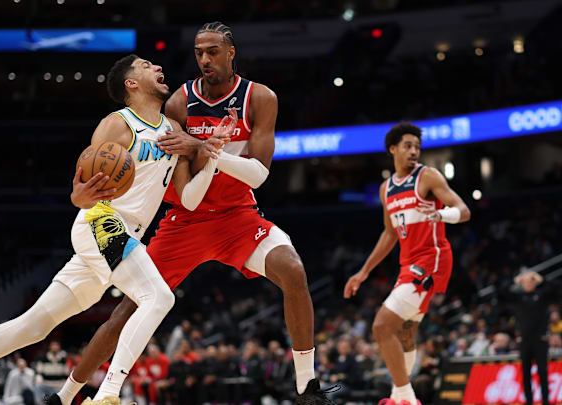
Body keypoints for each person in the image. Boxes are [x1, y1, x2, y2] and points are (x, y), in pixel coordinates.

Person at [0, 54, 235, 405]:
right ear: (131, 83)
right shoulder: (118, 124)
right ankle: (107, 395)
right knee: (159, 297)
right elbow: (83, 186)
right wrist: (78, 195)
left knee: (34, 326)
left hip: (124, 237)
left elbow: (190, 199)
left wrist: (212, 155)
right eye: (147, 66)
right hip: (102, 222)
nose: (158, 67)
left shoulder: (173, 131)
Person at [51, 21, 334, 405]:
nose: (204, 59)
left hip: (237, 215)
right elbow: (175, 168)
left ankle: (307, 388)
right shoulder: (179, 102)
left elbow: (259, 174)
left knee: (294, 271)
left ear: (230, 53)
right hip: (185, 218)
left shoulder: (260, 98)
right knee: (126, 310)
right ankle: (67, 395)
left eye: (212, 51)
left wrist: (202, 145)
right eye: (199, 52)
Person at [343, 122, 471, 405]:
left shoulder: (428, 176)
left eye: (417, 147)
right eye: (407, 146)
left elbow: (464, 211)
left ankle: (404, 397)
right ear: (393, 149)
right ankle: (401, 395)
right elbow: (389, 234)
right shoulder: (385, 188)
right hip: (407, 264)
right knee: (404, 332)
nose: (414, 151)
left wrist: (442, 216)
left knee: (380, 327)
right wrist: (363, 273)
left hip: (431, 260)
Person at [511, 270, 551, 405]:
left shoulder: (541, 296)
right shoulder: (517, 298)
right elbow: (502, 293)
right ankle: (529, 402)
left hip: (540, 339)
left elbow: (554, 288)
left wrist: (541, 279)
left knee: (542, 373)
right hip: (525, 341)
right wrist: (517, 279)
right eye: (526, 281)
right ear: (522, 283)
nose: (528, 283)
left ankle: (545, 401)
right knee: (526, 374)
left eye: (531, 281)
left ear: (535, 282)